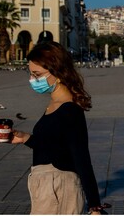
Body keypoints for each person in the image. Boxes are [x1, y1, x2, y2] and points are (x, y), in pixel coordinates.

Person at [12, 41, 107, 215]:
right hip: (48, 187)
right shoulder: (54, 104)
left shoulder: (69, 109)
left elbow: (81, 158)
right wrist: (25, 138)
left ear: (57, 72)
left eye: (37, 74)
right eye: (31, 74)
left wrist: (94, 206)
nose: (32, 80)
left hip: (58, 188)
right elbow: (55, 147)